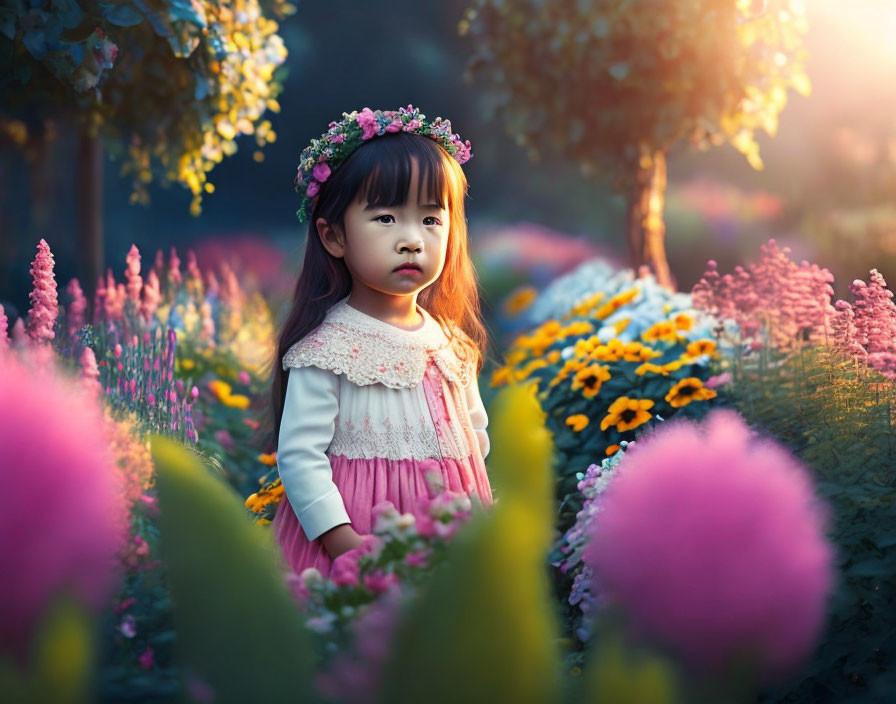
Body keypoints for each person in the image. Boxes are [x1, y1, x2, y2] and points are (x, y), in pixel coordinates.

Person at [268, 106, 494, 579]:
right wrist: (346, 544)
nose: (412, 240)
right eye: (386, 217)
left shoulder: (450, 345)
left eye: (431, 220)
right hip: (360, 541)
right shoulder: (327, 351)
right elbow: (300, 457)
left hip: (448, 540)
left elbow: (476, 438)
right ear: (333, 237)